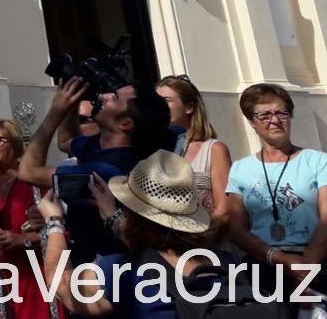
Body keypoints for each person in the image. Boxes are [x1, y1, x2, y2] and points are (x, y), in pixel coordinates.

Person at [37, 150, 222, 319]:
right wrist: (113, 217)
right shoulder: (224, 263)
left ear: (133, 214)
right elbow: (154, 251)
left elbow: (61, 284)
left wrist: (54, 222)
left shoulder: (122, 274)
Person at [20, 77, 174, 261]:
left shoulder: (105, 171)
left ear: (125, 123)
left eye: (115, 98)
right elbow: (66, 142)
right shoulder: (105, 147)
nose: (104, 96)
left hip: (107, 266)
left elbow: (28, 172)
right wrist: (72, 103)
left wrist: (55, 112)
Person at [226, 83, 327, 291]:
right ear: (251, 121)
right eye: (264, 115)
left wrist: (306, 270)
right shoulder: (240, 169)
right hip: (263, 265)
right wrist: (278, 258)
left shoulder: (318, 161)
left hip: (315, 262)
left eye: (282, 113)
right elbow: (236, 229)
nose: (274, 120)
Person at [0, 119, 55, 319]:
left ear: (15, 143)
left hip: (30, 272)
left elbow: (57, 229)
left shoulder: (33, 181)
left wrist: (23, 239)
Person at [156, 75, 232, 220]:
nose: (159, 107)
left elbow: (224, 209)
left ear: (189, 107)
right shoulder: (156, 150)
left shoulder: (214, 149)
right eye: (156, 101)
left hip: (206, 231)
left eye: (166, 100)